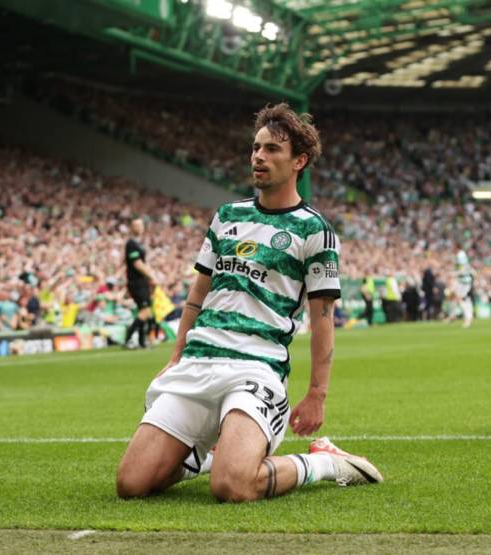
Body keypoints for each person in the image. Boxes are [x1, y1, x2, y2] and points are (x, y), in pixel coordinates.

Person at [116, 103, 382, 502]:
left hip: (255, 368)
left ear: (299, 161)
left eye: (272, 149)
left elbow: (323, 318)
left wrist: (317, 394)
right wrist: (176, 355)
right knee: (131, 484)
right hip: (198, 363)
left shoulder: (315, 230)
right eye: (256, 147)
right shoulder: (227, 216)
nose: (259, 156)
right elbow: (197, 296)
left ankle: (326, 462)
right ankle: (209, 457)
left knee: (232, 486)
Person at [123, 218, 159, 349]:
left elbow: (144, 263)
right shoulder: (131, 244)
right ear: (131, 227)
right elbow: (137, 264)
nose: (139, 228)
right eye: (136, 225)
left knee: (145, 311)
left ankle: (141, 342)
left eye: (141, 225)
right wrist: (152, 276)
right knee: (145, 311)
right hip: (136, 282)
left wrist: (151, 275)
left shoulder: (139, 244)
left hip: (142, 281)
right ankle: (128, 339)